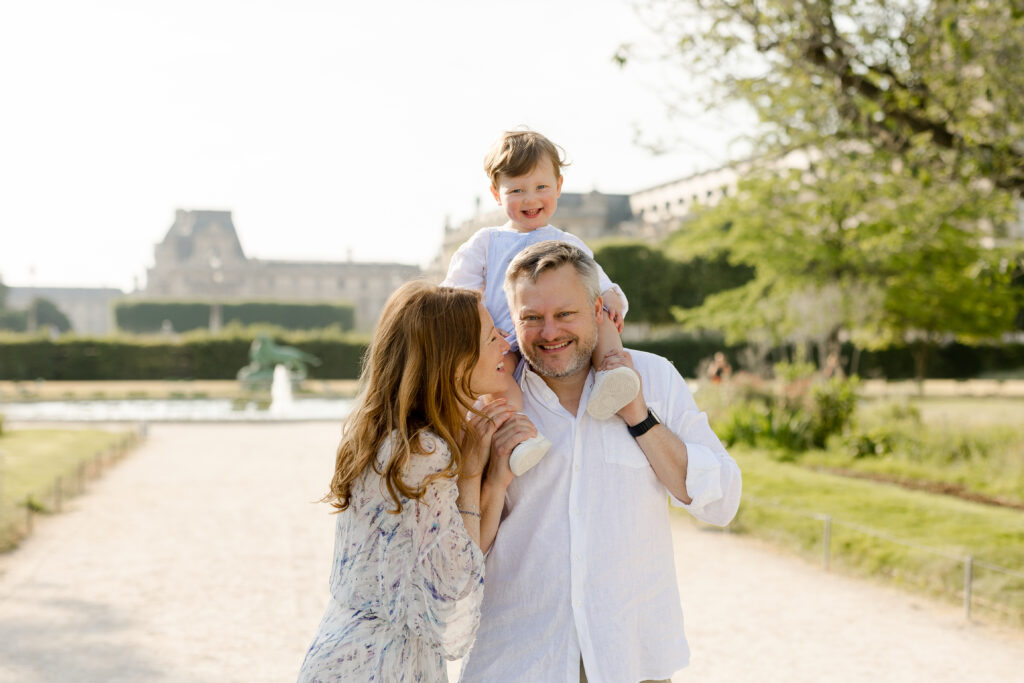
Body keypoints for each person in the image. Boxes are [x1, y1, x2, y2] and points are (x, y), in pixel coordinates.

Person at [459, 241, 743, 683]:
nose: (549, 332)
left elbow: (720, 502)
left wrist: (639, 417)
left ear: (598, 309)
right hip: (517, 660)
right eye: (531, 318)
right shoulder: (490, 398)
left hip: (631, 659)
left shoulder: (654, 378)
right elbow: (459, 549)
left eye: (565, 314)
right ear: (511, 322)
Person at [297, 281, 524, 682]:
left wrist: (493, 485)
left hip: (354, 653)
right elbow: (454, 581)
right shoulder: (423, 453)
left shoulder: (393, 439)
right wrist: (472, 476)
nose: (506, 342)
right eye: (492, 336)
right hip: (379, 665)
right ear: (456, 361)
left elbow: (460, 551)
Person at [442, 128, 640, 478]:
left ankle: (613, 373)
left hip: (553, 321)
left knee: (599, 314)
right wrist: (481, 326)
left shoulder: (566, 241)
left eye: (541, 188)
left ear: (559, 187)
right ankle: (518, 440)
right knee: (502, 389)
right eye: (516, 190)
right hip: (502, 335)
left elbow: (599, 279)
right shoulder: (487, 241)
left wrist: (611, 298)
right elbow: (458, 291)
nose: (530, 199)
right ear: (495, 194)